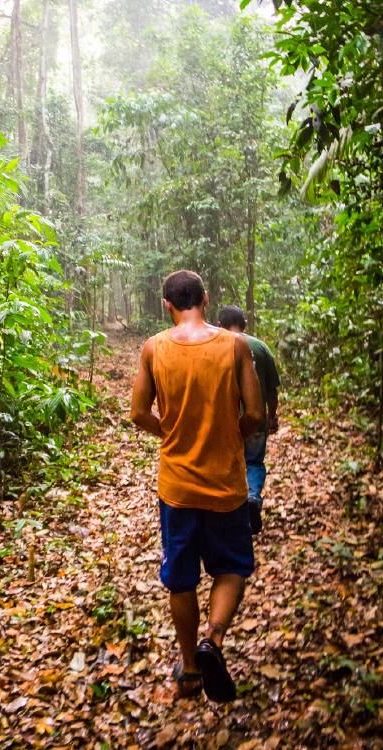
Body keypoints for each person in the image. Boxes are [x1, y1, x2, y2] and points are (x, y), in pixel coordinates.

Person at [130, 270, 263, 703]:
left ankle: (189, 670)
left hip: (178, 487)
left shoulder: (154, 348)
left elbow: (138, 413)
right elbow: (256, 414)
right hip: (225, 482)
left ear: (166, 304)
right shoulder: (235, 345)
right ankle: (214, 641)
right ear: (205, 298)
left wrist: (168, 432)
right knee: (231, 569)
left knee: (181, 580)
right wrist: (232, 434)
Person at [218, 305, 280, 535]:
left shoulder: (215, 347)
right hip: (255, 419)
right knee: (253, 462)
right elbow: (272, 391)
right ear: (244, 323)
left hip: (225, 420)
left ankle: (228, 510)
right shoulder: (260, 347)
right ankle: (252, 497)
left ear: (219, 324)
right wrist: (271, 415)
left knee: (227, 464)